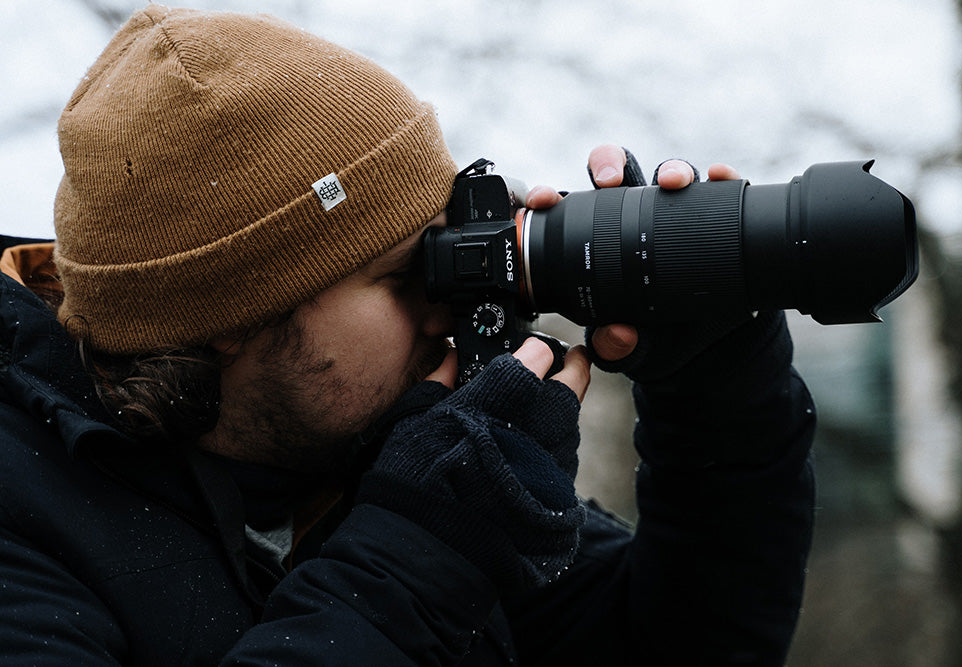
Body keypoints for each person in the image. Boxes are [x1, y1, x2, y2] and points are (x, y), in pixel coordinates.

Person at [0, 5, 815, 665]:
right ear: (225, 318)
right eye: (403, 275)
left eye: (448, 245)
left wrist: (722, 395)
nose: (447, 307)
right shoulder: (25, 516)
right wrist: (414, 569)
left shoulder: (371, 458)